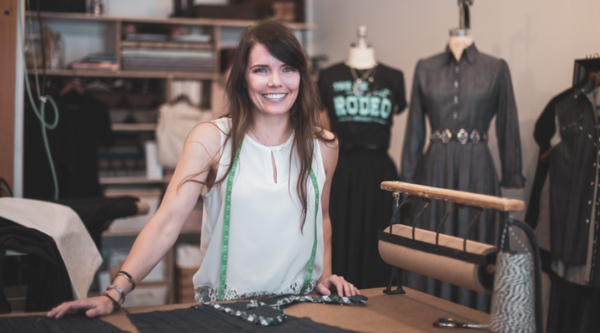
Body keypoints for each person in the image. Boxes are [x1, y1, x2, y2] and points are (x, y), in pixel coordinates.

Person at [48, 20, 358, 319]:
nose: (276, 82)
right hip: (228, 312)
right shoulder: (212, 139)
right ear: (242, 79)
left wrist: (325, 277)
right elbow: (168, 221)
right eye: (261, 70)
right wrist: (115, 292)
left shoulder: (324, 145)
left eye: (287, 68)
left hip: (301, 309)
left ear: (301, 76)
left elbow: (323, 218)